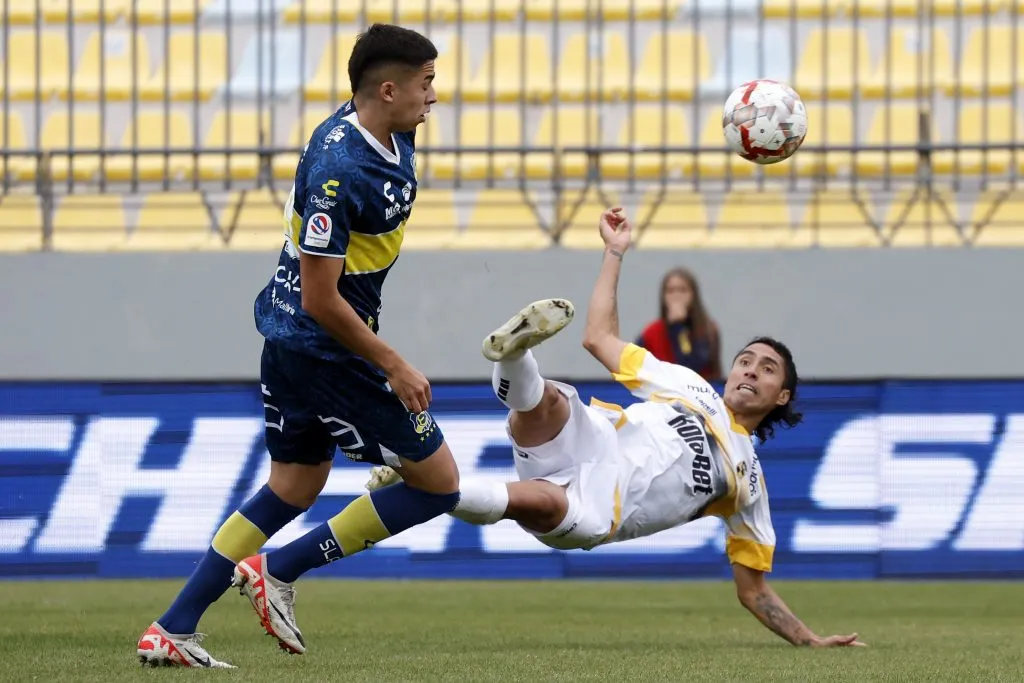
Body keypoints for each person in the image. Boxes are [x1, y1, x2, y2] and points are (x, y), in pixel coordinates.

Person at [369, 208, 866, 649]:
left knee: (531, 500)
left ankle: (430, 477)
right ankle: (515, 353)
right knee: (549, 400)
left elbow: (752, 590)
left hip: (600, 506)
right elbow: (599, 338)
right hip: (593, 436)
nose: (751, 370)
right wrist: (614, 252)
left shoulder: (749, 485)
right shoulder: (689, 385)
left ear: (782, 397)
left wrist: (809, 639)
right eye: (745, 360)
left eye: (767, 368)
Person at [137, 24, 459, 668]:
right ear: (388, 89)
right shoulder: (339, 170)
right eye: (425, 85)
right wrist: (392, 362)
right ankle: (277, 570)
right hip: (324, 348)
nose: (435, 98)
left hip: (290, 341)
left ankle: (173, 626)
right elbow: (320, 297)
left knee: (294, 483)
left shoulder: (389, 127)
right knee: (439, 485)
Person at [636, 267, 722, 382]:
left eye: (682, 290)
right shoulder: (651, 333)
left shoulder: (707, 330)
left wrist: (678, 327)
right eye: (670, 291)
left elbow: (691, 368)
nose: (676, 296)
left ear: (693, 295)